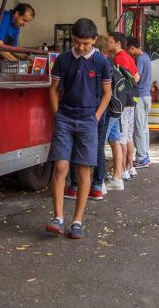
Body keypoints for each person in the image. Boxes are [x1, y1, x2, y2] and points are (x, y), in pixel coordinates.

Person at [46, 18, 112, 239]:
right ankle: (58, 218)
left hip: (88, 121)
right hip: (65, 118)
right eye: (76, 42)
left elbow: (107, 93)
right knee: (60, 166)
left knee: (84, 170)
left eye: (85, 43)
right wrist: (57, 115)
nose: (80, 47)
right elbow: (53, 89)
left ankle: (77, 221)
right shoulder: (63, 59)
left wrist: (96, 117)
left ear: (94, 40)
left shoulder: (101, 62)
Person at [107, 32, 139, 181]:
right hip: (131, 100)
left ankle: (123, 170)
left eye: (110, 41)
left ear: (118, 43)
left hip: (123, 103)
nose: (108, 44)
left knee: (122, 138)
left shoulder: (118, 59)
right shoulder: (129, 57)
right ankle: (130, 167)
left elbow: (118, 82)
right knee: (129, 135)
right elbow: (137, 76)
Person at [127, 36, 152, 168]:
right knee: (144, 127)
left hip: (140, 96)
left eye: (128, 50)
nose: (128, 53)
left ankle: (141, 158)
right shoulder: (146, 56)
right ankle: (145, 155)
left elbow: (137, 77)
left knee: (138, 128)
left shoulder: (140, 59)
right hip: (147, 96)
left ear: (132, 48)